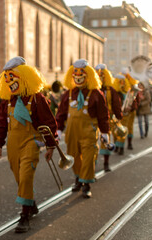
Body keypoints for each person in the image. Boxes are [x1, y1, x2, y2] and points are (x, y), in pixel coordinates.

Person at [0, 56, 56, 233]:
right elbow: (1, 124)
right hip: (13, 144)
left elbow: (49, 123)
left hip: (31, 142)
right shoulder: (7, 101)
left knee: (26, 176)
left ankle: (24, 215)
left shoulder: (37, 99)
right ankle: (30, 202)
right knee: (19, 177)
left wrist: (51, 145)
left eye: (12, 76)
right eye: (7, 78)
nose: (9, 81)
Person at [56, 59, 109, 199]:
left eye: (81, 74)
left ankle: (86, 184)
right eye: (75, 74)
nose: (78, 76)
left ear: (88, 76)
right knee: (73, 156)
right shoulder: (67, 94)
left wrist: (104, 132)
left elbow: (103, 115)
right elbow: (61, 113)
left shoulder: (96, 94)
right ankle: (78, 178)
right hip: (72, 133)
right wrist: (59, 130)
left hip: (88, 131)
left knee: (88, 158)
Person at [95, 64, 122, 171]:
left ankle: (106, 163)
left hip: (107, 118)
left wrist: (118, 115)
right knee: (90, 143)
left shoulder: (111, 90)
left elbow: (116, 103)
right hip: (92, 120)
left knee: (106, 140)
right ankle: (91, 164)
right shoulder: (91, 90)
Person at [112, 74, 140, 155]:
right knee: (116, 129)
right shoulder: (115, 91)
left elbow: (136, 100)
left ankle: (123, 146)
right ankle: (117, 145)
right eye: (120, 82)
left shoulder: (132, 89)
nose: (122, 83)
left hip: (129, 112)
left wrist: (132, 107)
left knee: (127, 128)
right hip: (118, 113)